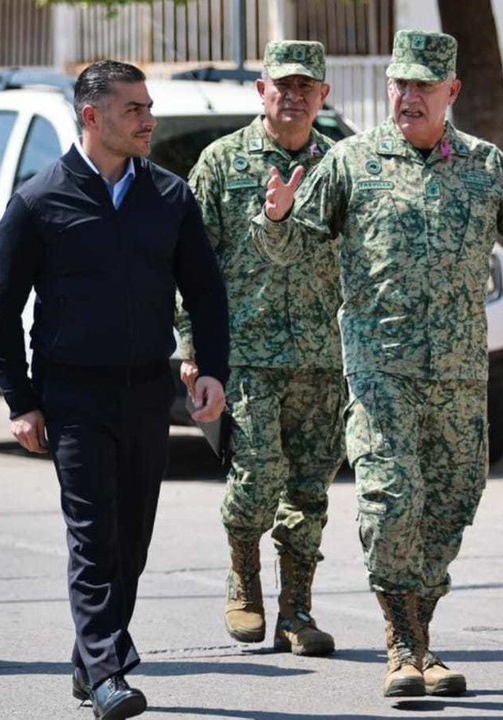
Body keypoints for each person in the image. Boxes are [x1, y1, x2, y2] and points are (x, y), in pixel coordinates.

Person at [255, 30, 503, 697]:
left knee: (448, 509)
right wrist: (276, 221)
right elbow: (290, 249)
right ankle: (403, 645)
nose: (409, 96)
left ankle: (422, 637)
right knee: (390, 503)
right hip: (378, 369)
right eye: (401, 82)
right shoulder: (353, 163)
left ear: (451, 92)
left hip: (457, 376)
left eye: (424, 85)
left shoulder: (483, 167)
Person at [0, 60, 229, 720]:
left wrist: (212, 371)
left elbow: (206, 295)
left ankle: (89, 656)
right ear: (91, 117)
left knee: (133, 542)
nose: (148, 121)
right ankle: (108, 672)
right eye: (134, 110)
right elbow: (0, 309)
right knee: (94, 537)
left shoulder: (171, 198)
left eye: (149, 107)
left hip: (149, 392)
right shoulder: (40, 201)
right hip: (74, 397)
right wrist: (21, 399)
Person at [178, 40, 344, 657]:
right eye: (284, 86)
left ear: (324, 96)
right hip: (244, 354)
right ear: (262, 91)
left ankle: (297, 611)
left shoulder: (341, 166)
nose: (295, 97)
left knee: (309, 488)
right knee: (257, 477)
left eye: (308, 87)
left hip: (324, 356)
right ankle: (243, 573)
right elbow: (189, 265)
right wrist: (194, 346)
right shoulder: (222, 163)